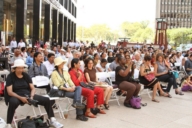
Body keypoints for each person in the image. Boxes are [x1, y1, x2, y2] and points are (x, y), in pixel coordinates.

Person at [5, 59, 63, 128]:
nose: (21, 70)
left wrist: (31, 97)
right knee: (12, 102)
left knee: (46, 100)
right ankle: (8, 123)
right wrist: (20, 98)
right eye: (19, 68)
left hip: (28, 95)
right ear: (15, 68)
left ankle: (52, 119)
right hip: (16, 96)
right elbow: (10, 92)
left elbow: (32, 88)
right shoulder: (10, 76)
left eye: (22, 68)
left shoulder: (26, 75)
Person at [51, 57, 88, 121]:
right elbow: (58, 85)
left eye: (63, 63)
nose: (63, 64)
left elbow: (70, 81)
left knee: (78, 88)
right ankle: (79, 114)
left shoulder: (65, 72)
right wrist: (67, 89)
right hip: (61, 90)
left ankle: (76, 104)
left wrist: (73, 86)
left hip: (69, 89)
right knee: (78, 95)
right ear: (58, 64)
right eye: (61, 63)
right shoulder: (54, 73)